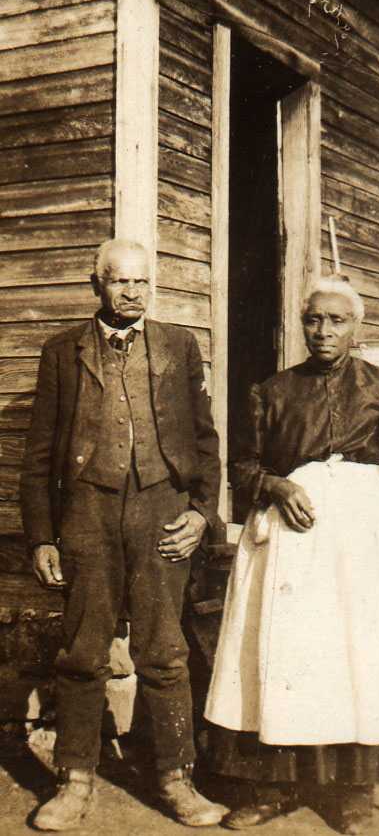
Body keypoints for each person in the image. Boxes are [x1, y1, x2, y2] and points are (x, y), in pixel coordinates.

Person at [204, 275, 379, 833]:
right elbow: (241, 467)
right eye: (314, 319)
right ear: (302, 323)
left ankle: (353, 795)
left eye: (336, 321)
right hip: (291, 545)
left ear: (355, 328)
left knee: (355, 660)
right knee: (284, 660)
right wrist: (275, 487)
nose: (323, 331)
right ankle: (271, 788)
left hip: (360, 544)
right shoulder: (273, 391)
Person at [20, 239, 228, 830]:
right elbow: (38, 456)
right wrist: (42, 536)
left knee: (163, 652)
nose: (131, 292)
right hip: (85, 514)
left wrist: (201, 514)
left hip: (161, 510)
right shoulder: (62, 352)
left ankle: (175, 779)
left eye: (140, 282)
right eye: (119, 282)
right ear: (98, 286)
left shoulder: (179, 346)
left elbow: (206, 442)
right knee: (83, 653)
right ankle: (75, 779)